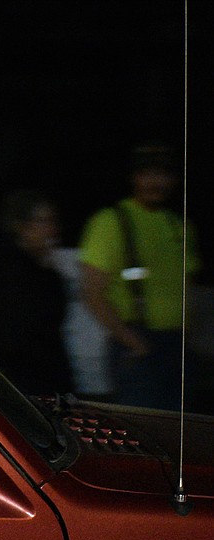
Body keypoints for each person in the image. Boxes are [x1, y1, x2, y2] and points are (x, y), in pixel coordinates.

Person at [78, 141, 200, 410]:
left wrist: (186, 338)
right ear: (134, 177)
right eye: (148, 174)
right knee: (142, 435)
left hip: (176, 349)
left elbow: (186, 287)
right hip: (138, 348)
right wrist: (133, 342)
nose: (155, 182)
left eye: (162, 174)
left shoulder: (179, 226)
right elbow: (92, 292)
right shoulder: (110, 222)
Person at [0, 189, 75, 397]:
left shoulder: (35, 270)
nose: (53, 231)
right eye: (45, 222)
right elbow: (22, 335)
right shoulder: (11, 273)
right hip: (25, 387)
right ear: (21, 226)